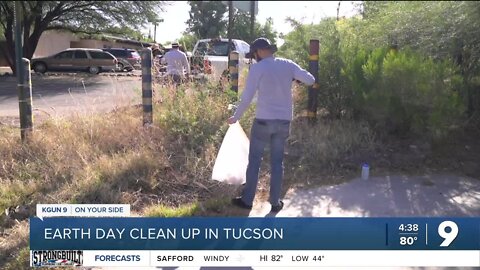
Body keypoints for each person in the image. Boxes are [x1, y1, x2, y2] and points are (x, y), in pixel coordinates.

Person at [228, 37, 315, 212]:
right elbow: (310, 80)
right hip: (283, 122)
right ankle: (275, 202)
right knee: (277, 162)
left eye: (254, 54)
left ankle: (247, 201)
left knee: (254, 162)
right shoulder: (287, 64)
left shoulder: (258, 68)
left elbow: (247, 97)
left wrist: (235, 116)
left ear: (259, 51)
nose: (254, 57)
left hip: (263, 122)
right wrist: (293, 78)